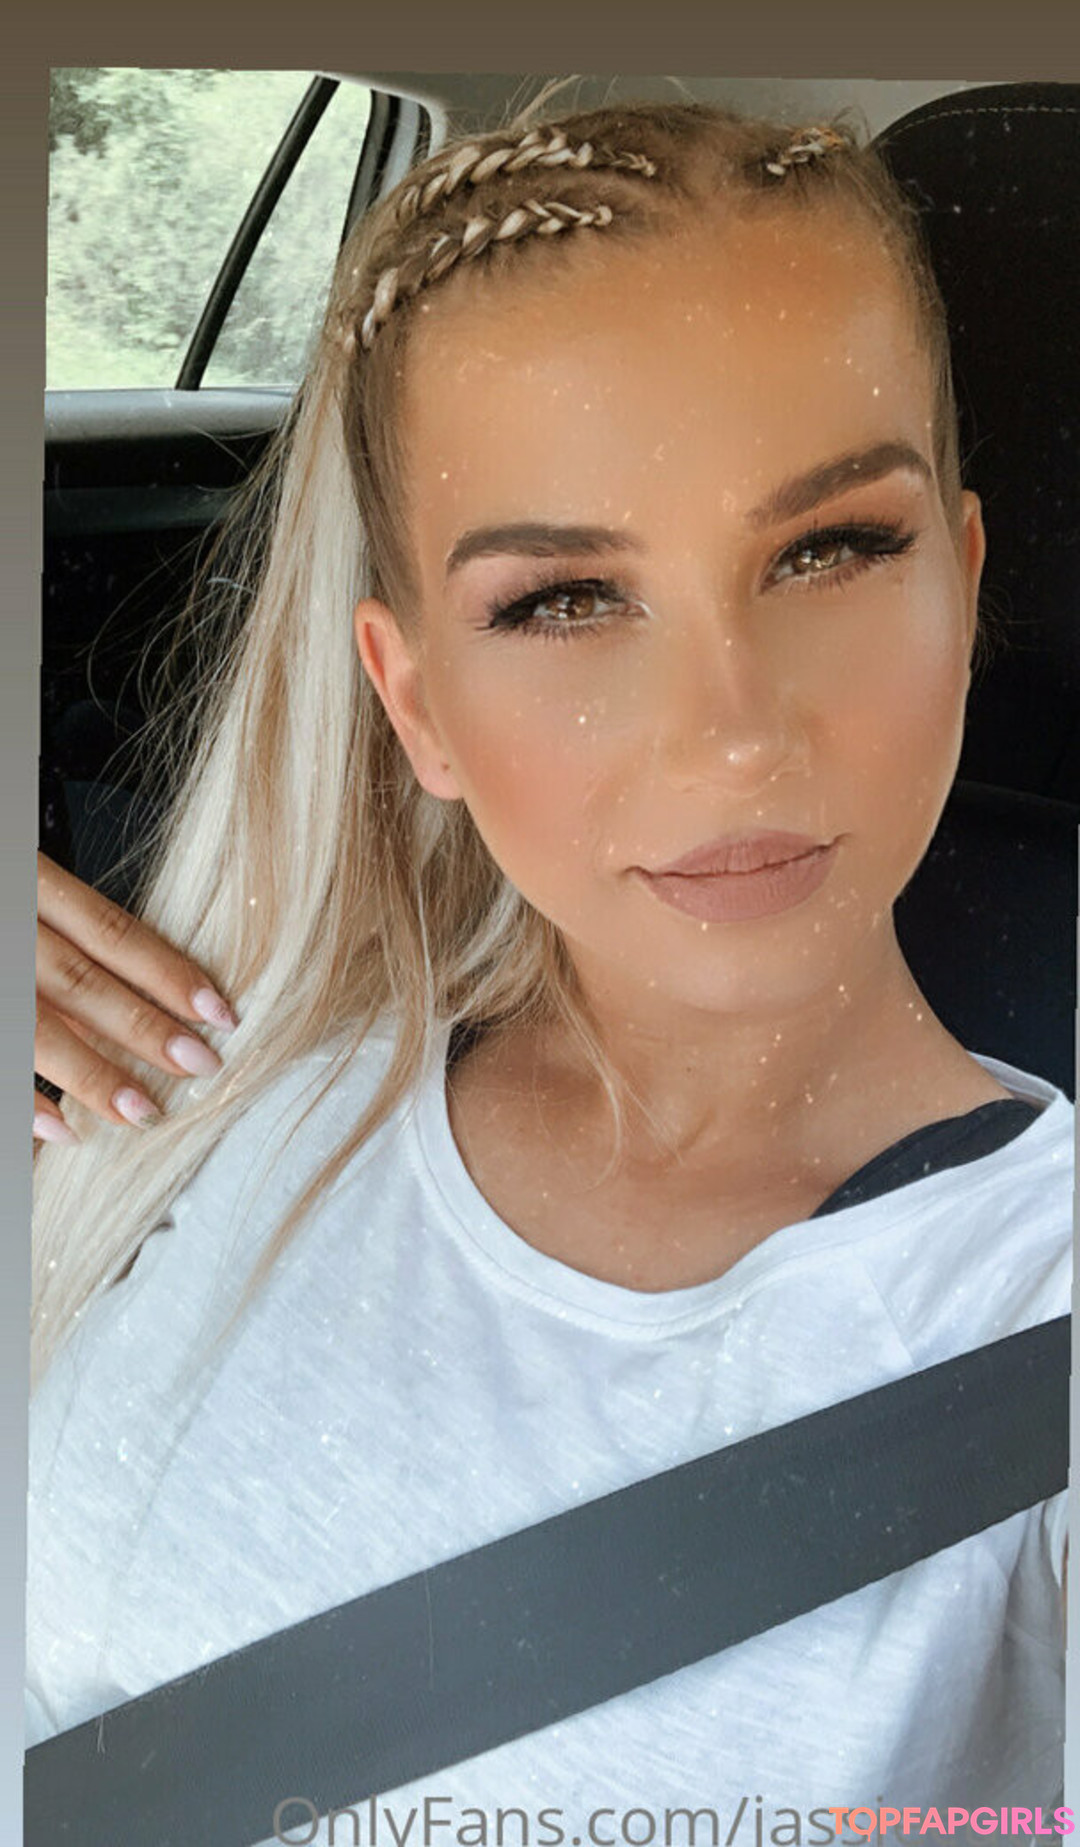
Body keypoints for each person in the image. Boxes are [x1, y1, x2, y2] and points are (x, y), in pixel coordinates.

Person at [28, 97, 1072, 1835]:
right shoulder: (226, 1077)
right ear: (415, 700)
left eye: (829, 549)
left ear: (961, 589)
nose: (732, 734)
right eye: (566, 599)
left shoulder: (1033, 1312)